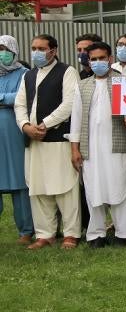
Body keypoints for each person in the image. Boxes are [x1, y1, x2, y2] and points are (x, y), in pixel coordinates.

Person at [14, 33, 81, 249]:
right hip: (33, 141)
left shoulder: (67, 72)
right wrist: (26, 126)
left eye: (41, 48)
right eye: (34, 48)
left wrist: (45, 124)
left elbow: (70, 103)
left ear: (54, 50)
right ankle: (45, 234)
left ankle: (71, 233)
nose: (37, 52)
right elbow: (20, 105)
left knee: (65, 187)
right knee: (38, 187)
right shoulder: (28, 76)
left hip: (57, 139)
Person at [69, 42, 126, 248]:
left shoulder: (124, 82)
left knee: (119, 187)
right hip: (91, 148)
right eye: (94, 59)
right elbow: (76, 119)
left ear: (110, 59)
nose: (98, 62)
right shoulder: (82, 85)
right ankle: (96, 234)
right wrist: (74, 149)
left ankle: (122, 233)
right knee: (93, 189)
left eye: (102, 58)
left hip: (117, 145)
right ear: (89, 61)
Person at [0, 34, 33, 245]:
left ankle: (26, 230)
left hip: (14, 134)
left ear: (14, 51)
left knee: (20, 182)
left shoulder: (25, 74)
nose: (2, 53)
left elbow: (23, 98)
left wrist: (3, 98)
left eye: (5, 49)